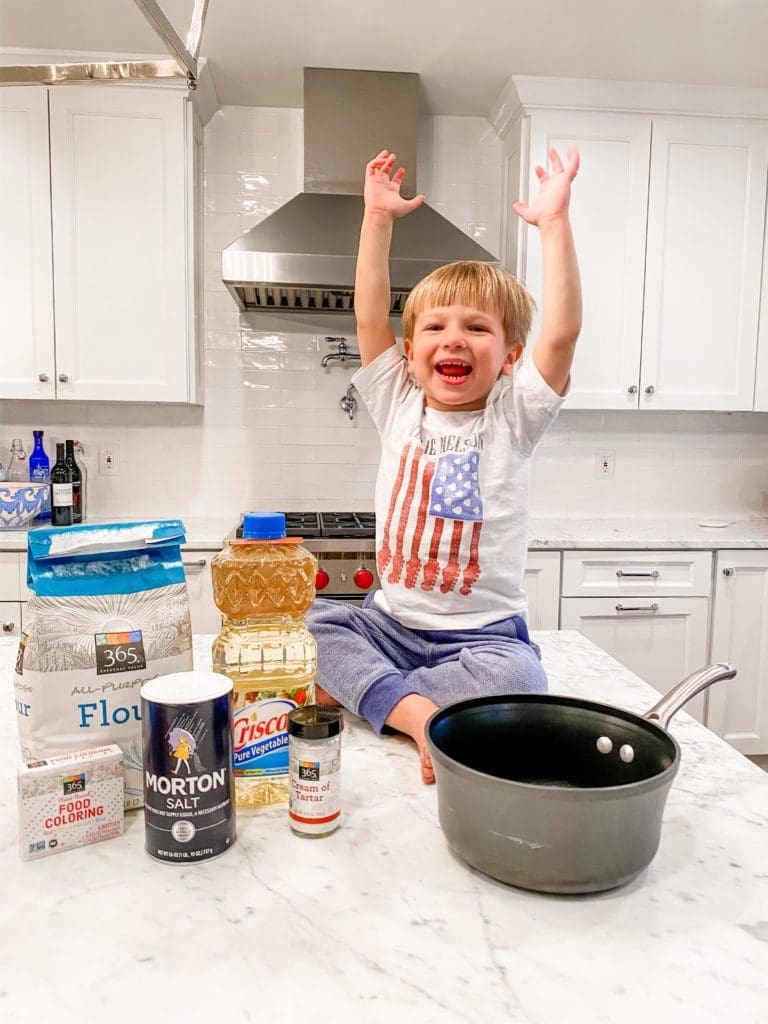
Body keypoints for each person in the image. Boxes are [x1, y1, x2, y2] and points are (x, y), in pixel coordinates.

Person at [309, 146, 581, 783]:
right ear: (409, 354)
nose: (453, 339)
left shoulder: (515, 416)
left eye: (477, 329)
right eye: (434, 328)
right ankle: (417, 709)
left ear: (510, 355)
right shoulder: (399, 404)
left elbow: (562, 335)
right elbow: (369, 313)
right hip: (390, 622)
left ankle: (385, 697)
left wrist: (554, 225)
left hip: (483, 638)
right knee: (316, 625)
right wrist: (377, 219)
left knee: (523, 680)